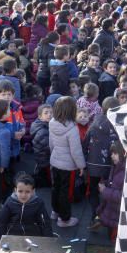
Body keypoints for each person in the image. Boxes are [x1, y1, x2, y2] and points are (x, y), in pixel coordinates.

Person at [49, 96, 86, 228]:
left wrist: (54, 156)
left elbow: (51, 143)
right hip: (68, 166)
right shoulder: (72, 129)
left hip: (55, 161)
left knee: (56, 188)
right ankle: (64, 219)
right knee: (66, 192)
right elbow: (75, 151)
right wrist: (81, 166)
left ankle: (55, 211)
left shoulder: (52, 122)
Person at [82, 97, 120, 221]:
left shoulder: (94, 124)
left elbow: (85, 143)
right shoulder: (117, 124)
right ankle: (105, 212)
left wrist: (84, 159)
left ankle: (94, 212)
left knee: (93, 189)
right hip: (110, 165)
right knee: (107, 188)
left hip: (93, 163)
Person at [0, 172, 53, 246]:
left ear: (33, 191)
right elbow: (2, 222)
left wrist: (49, 242)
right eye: (20, 191)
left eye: (27, 192)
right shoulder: (10, 202)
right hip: (13, 236)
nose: (23, 195)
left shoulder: (38, 203)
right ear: (15, 190)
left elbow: (45, 223)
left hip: (33, 237)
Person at [91, 142, 126, 240]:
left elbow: (122, 196)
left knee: (114, 241)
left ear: (123, 153)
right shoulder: (115, 167)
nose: (112, 156)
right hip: (112, 212)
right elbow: (113, 183)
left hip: (117, 216)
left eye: (115, 153)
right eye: (111, 153)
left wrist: (105, 190)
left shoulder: (126, 172)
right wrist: (105, 183)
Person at [31, 104, 52, 188]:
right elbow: (48, 146)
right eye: (46, 113)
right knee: (46, 175)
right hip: (44, 158)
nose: (49, 115)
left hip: (42, 156)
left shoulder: (45, 125)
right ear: (40, 116)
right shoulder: (42, 130)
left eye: (51, 112)